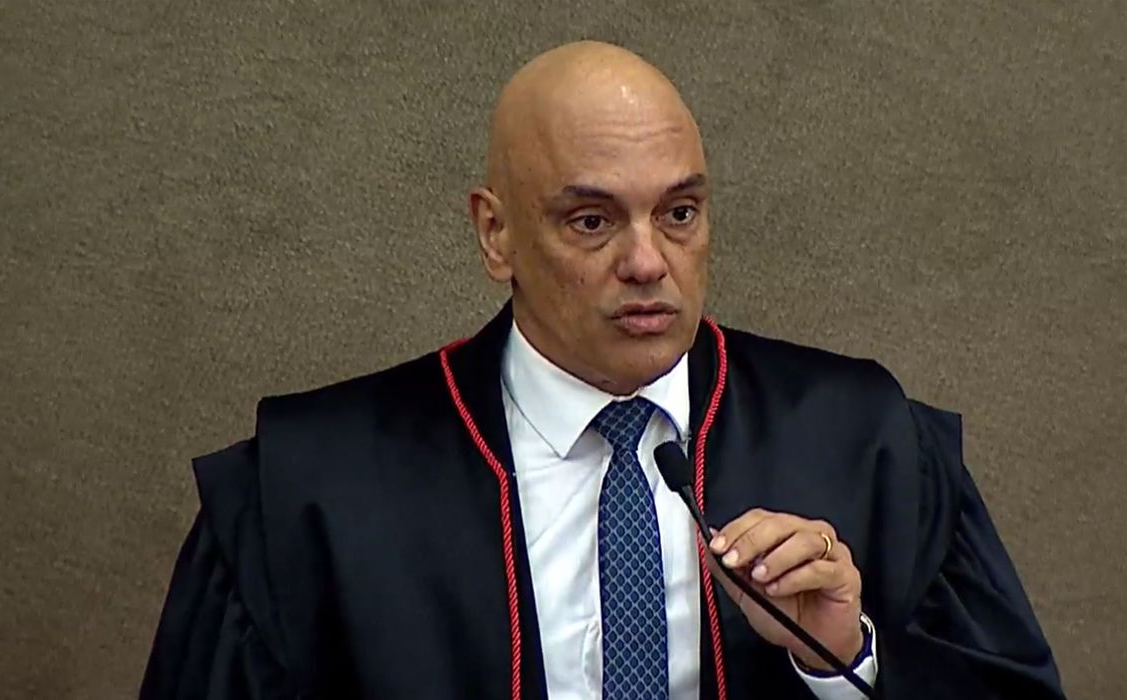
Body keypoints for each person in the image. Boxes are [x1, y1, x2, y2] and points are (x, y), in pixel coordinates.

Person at [139, 41, 1065, 699]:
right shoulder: (311, 487)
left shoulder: (869, 441)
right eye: (592, 221)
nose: (648, 262)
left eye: (679, 214)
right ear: (495, 233)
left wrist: (846, 662)